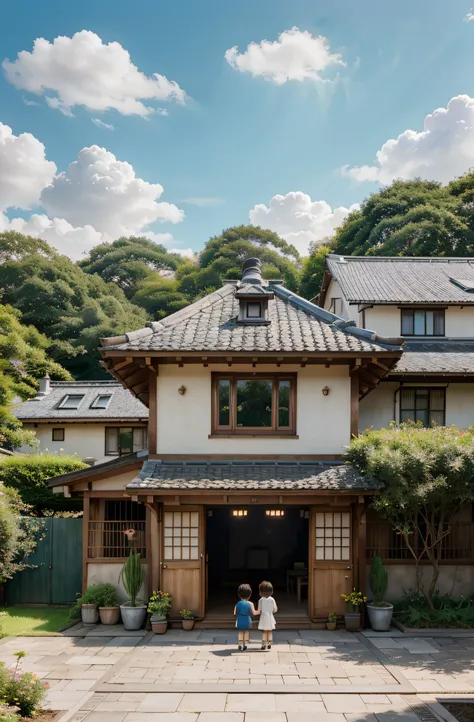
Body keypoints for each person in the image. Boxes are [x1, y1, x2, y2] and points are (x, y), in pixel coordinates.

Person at [234, 583, 258, 651]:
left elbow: (235, 613)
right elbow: (254, 613)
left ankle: (240, 644)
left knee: (240, 632)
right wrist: (260, 611)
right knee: (246, 631)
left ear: (239, 594)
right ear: (250, 594)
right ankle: (245, 644)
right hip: (247, 619)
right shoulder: (250, 603)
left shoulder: (238, 603)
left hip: (239, 619)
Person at [258, 580, 277, 650]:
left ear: (260, 592)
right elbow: (275, 609)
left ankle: (264, 644)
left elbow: (259, 609)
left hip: (263, 617)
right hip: (270, 616)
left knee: (264, 631)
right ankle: (269, 643)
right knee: (269, 631)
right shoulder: (272, 599)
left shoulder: (260, 600)